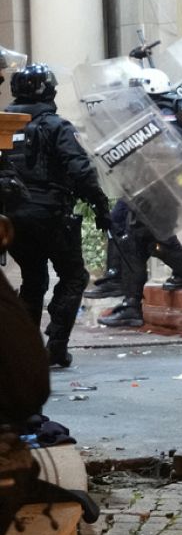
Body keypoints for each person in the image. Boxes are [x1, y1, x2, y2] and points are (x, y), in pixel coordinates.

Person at [99, 69, 182, 327]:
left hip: (166, 187)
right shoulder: (148, 113)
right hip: (143, 186)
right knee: (136, 243)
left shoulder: (173, 112)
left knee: (161, 244)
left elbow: (168, 149)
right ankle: (132, 305)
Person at [4, 63, 113, 367]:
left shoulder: (4, 124)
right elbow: (81, 171)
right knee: (74, 275)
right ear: (48, 90)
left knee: (32, 278)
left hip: (12, 218)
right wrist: (100, 207)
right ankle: (56, 345)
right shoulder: (56, 126)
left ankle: (25, 348)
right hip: (50, 213)